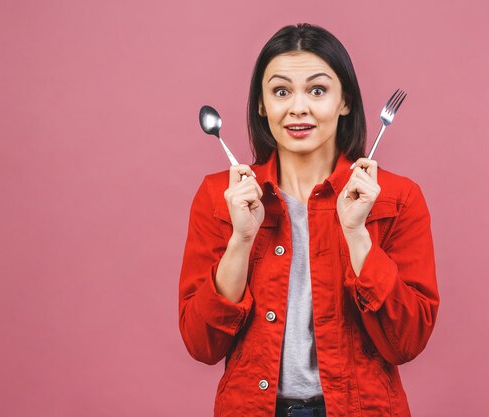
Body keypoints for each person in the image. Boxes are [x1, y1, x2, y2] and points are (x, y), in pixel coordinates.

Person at [178, 23, 439, 417]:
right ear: (262, 105)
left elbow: (407, 342)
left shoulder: (397, 198)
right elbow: (202, 345)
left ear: (345, 101)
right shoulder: (221, 197)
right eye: (281, 91)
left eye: (317, 90)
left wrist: (356, 234)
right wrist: (241, 240)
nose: (298, 107)